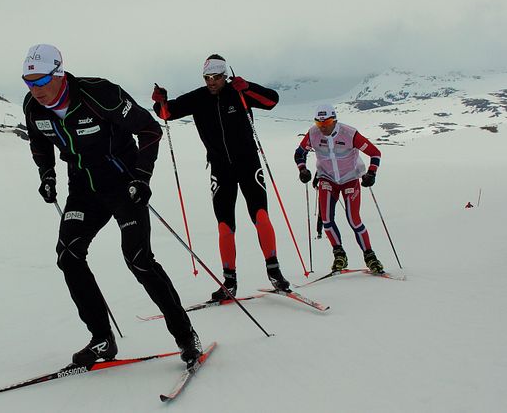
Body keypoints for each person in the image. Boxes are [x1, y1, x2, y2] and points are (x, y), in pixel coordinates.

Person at [21, 44, 201, 367]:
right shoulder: (33, 108)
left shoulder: (99, 93)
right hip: (83, 188)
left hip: (124, 183)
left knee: (138, 259)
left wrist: (142, 177)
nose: (35, 90)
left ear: (59, 73)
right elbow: (39, 141)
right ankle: (102, 339)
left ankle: (186, 335)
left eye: (41, 81)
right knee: (69, 256)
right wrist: (47, 175)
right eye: (28, 82)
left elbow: (149, 129)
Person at [151, 54, 291, 302]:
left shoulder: (238, 91)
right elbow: (166, 113)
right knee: (225, 226)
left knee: (260, 216)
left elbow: (272, 101)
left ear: (225, 76)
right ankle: (230, 282)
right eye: (207, 78)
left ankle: (274, 272)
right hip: (220, 168)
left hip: (248, 164)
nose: (211, 82)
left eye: (216, 77)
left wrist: (248, 87)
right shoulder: (198, 98)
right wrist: (159, 100)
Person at [294, 104, 384, 273]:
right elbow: (299, 153)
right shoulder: (313, 133)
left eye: (326, 122)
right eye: (319, 123)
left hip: (350, 179)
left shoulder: (349, 133)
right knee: (327, 220)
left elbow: (375, 153)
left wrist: (371, 174)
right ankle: (339, 255)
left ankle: (370, 256)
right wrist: (303, 169)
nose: (323, 127)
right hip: (327, 179)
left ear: (334, 120)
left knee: (354, 220)